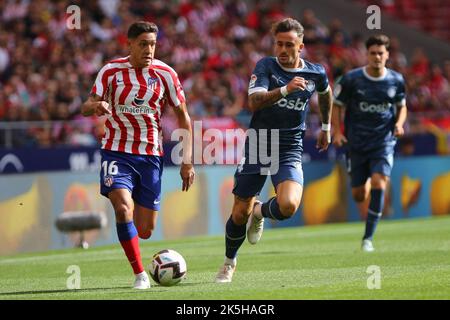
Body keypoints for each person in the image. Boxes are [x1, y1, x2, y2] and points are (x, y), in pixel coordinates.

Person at [215, 18, 333, 283]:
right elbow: (254, 102)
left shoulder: (315, 72)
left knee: (289, 205)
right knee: (238, 212)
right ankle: (229, 262)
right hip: (259, 143)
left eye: (289, 44)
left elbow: (326, 93)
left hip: (290, 146)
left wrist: (325, 126)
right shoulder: (266, 66)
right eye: (279, 43)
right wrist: (284, 90)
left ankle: (260, 212)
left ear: (300, 46)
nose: (282, 49)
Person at [81, 21, 195, 289]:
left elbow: (184, 118)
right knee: (122, 208)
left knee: (145, 230)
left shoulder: (166, 74)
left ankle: (134, 229)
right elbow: (86, 106)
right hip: (116, 152)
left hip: (150, 156)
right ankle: (140, 274)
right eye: (143, 44)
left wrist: (187, 160)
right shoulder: (111, 71)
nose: (149, 50)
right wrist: (95, 106)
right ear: (129, 44)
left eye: (153, 44)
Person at [332, 34, 407, 252]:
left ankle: (368, 238)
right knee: (359, 194)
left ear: (387, 55)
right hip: (356, 144)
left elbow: (402, 106)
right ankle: (364, 183)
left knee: (379, 182)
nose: (376, 57)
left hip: (383, 142)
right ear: (367, 55)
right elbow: (337, 106)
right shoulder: (351, 80)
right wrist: (337, 132)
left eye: (380, 53)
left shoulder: (396, 80)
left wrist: (400, 124)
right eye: (372, 53)